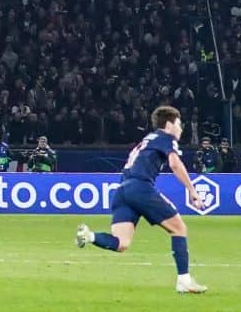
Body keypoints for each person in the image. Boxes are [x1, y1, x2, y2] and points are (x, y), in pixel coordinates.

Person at [78, 106, 207, 294]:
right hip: (140, 187)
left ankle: (89, 236)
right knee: (179, 229)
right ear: (169, 124)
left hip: (122, 190)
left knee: (121, 243)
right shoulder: (166, 138)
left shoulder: (148, 139)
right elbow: (175, 164)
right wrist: (192, 191)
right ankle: (184, 281)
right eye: (179, 124)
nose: (181, 129)